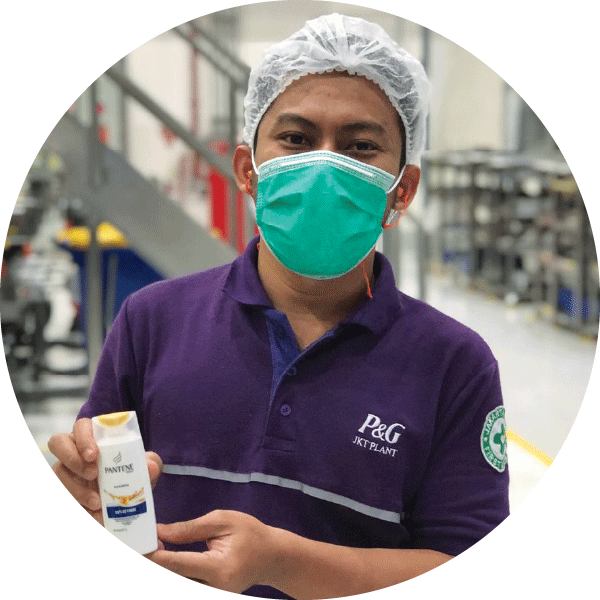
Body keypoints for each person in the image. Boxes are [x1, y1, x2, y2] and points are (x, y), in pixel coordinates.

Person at [48, 13, 509, 598]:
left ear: (403, 190)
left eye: (360, 146)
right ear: (248, 170)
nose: (324, 164)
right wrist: (83, 486)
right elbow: (105, 492)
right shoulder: (151, 321)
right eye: (295, 139)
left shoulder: (454, 365)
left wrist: (284, 564)